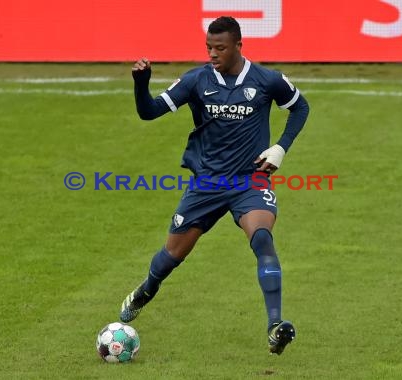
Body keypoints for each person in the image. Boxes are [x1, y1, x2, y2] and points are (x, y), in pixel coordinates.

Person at [119, 16, 309, 355]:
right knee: (170, 258)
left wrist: (281, 147)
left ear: (238, 46)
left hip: (250, 180)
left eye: (220, 48)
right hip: (206, 184)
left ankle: (275, 326)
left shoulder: (267, 79)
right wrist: (140, 83)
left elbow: (300, 107)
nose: (212, 54)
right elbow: (148, 112)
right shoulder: (196, 80)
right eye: (208, 47)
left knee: (262, 239)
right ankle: (144, 292)